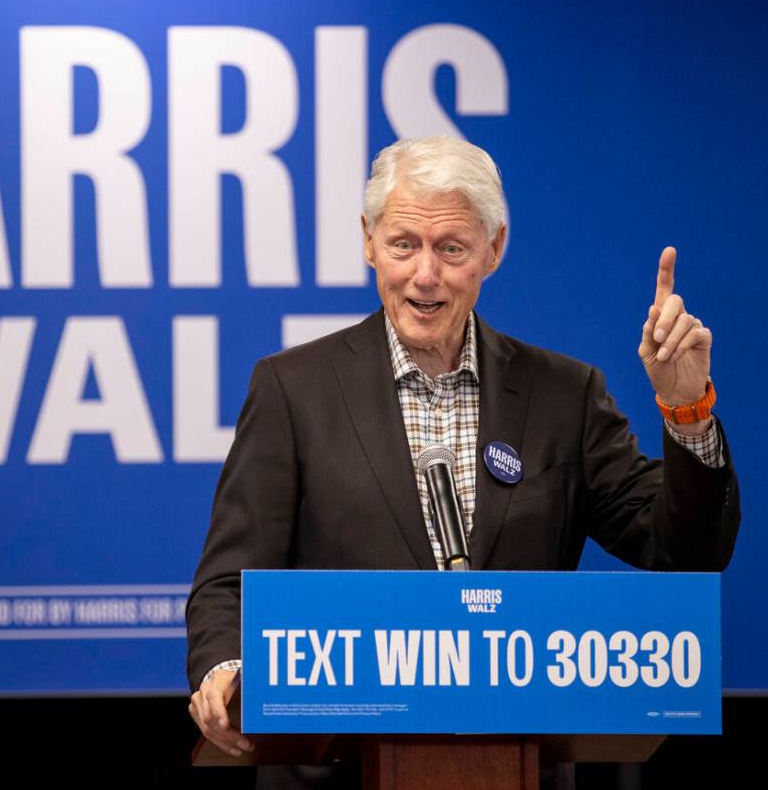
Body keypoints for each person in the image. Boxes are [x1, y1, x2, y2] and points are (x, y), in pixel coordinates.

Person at [185, 135, 741, 778]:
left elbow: (686, 556)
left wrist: (687, 410)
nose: (425, 274)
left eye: (451, 248)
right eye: (403, 245)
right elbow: (228, 581)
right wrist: (226, 668)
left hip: (517, 766)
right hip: (334, 768)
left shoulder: (565, 395)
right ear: (368, 241)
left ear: (494, 249)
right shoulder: (293, 390)